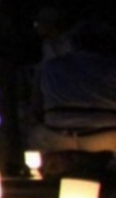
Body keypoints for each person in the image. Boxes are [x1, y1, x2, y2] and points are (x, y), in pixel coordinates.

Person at [28, 20, 116, 175]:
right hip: (108, 139)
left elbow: (36, 107)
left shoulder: (50, 67)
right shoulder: (111, 66)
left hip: (57, 138)